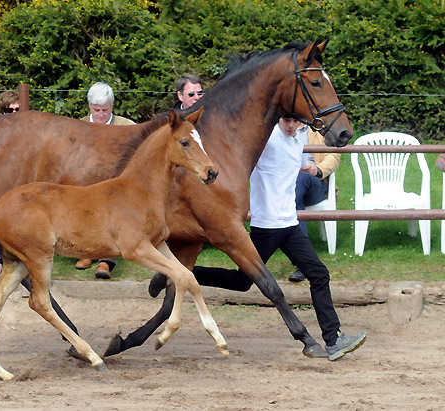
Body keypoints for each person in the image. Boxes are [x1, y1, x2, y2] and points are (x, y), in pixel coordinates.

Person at [150, 116, 366, 361]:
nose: (290, 125)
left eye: (295, 121)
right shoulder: (268, 138)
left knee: (318, 273)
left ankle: (333, 339)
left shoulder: (297, 141)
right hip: (267, 226)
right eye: (285, 120)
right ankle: (180, 272)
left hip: (290, 225)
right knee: (243, 282)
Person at [74, 82, 136, 279]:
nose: (101, 114)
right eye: (96, 110)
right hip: (86, 183)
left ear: (112, 107)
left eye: (105, 110)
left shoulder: (128, 127)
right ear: (89, 107)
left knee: (113, 211)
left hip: (116, 184)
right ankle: (88, 253)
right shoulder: (78, 127)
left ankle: (105, 261)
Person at [289, 127, 341, 282]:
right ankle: (304, 261)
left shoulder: (319, 128)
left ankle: (300, 260)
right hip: (287, 184)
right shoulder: (281, 129)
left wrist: (317, 169)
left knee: (300, 180)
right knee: (294, 198)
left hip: (313, 182)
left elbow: (334, 155)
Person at [0, 90, 20, 278]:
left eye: (18, 110)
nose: (15, 114)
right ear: (2, 112)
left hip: (23, 182)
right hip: (0, 181)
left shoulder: (32, 129)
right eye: (10, 111)